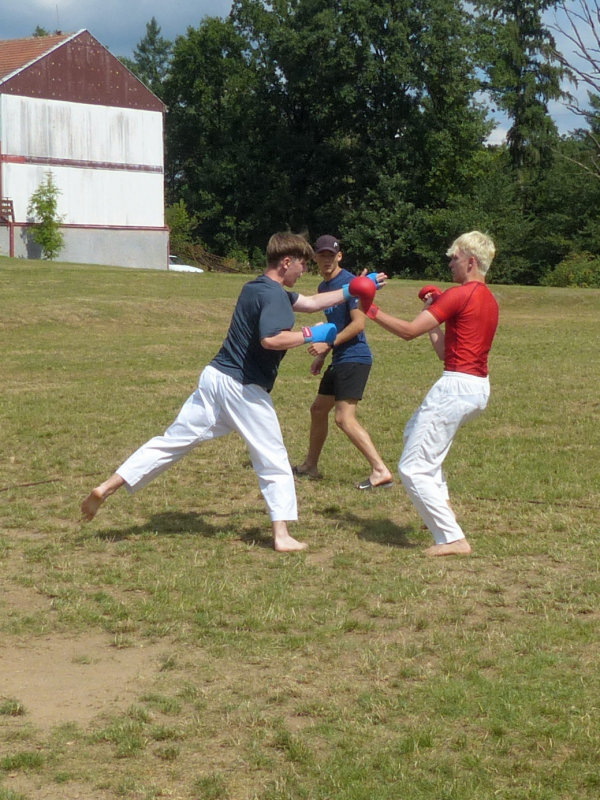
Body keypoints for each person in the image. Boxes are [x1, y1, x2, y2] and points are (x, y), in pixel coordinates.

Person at [81, 232, 383, 553]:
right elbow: (271, 339)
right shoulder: (275, 297)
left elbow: (310, 303)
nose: (304, 271)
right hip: (243, 387)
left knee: (172, 441)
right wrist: (312, 334)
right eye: (302, 265)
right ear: (286, 262)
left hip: (214, 378)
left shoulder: (255, 287)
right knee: (273, 458)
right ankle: (282, 536)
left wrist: (354, 289)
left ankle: (107, 487)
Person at [365, 231, 499, 556]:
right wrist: (438, 317)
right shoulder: (489, 299)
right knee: (414, 433)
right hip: (475, 387)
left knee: (412, 467)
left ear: (471, 262)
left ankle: (452, 538)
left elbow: (409, 331)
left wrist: (370, 310)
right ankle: (442, 506)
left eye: (455, 258)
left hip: (455, 388)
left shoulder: (459, 294)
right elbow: (444, 352)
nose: (450, 262)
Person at [293, 235, 394, 490]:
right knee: (318, 410)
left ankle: (380, 470)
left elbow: (358, 324)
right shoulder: (324, 288)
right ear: (315, 258)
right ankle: (310, 466)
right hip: (340, 357)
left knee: (344, 418)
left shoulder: (351, 283)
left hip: (355, 358)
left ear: (339, 256)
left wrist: (327, 345)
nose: (327, 260)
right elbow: (335, 326)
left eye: (331, 255)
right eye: (322, 256)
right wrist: (323, 356)